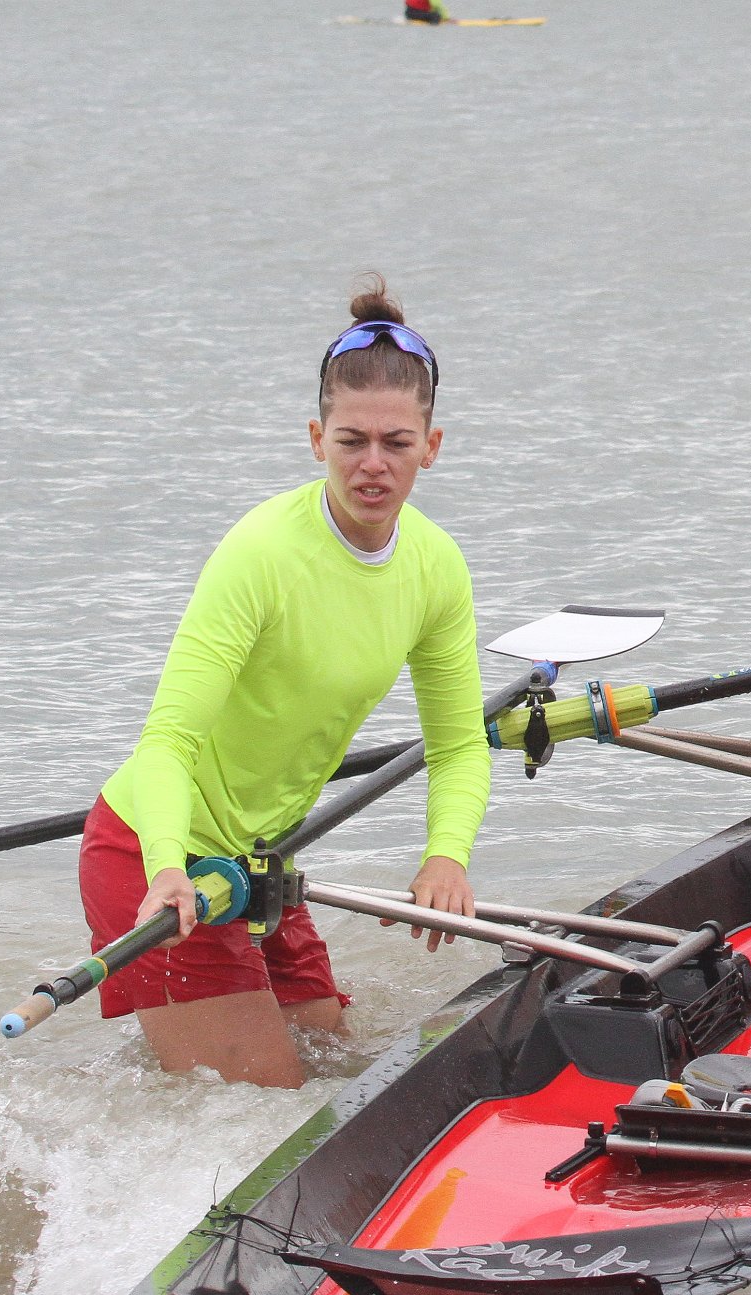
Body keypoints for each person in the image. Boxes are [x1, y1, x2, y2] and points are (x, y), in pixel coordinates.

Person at [77, 276, 489, 1089]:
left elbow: (459, 745)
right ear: (316, 438)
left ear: (431, 446)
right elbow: (167, 742)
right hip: (155, 857)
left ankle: (176, 1037)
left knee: (349, 1078)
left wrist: (447, 856)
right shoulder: (260, 553)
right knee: (272, 1115)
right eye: (351, 440)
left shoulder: (436, 567)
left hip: (263, 861)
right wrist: (165, 866)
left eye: (396, 443)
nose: (374, 465)